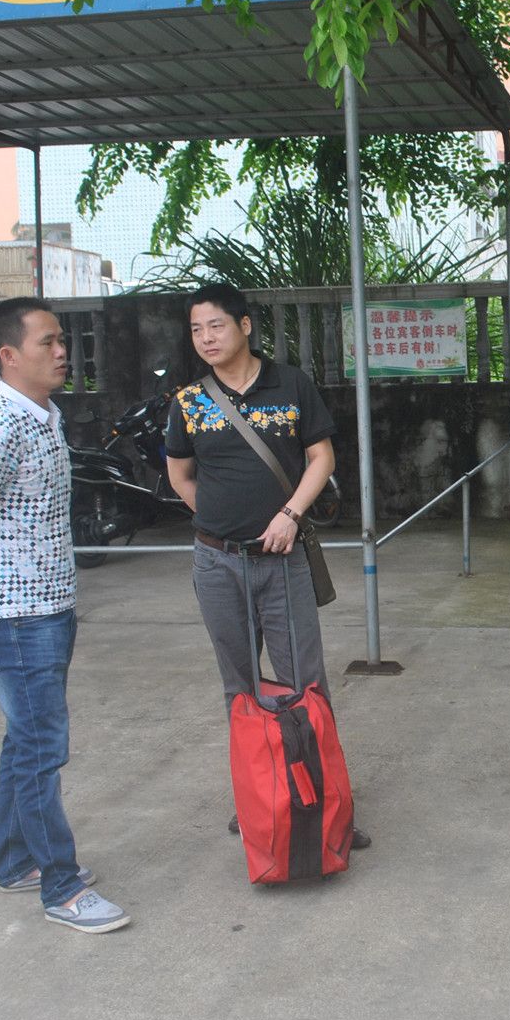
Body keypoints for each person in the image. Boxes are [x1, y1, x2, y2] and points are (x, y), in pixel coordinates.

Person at [0, 297, 130, 934]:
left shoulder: (43, 414)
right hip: (17, 617)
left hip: (49, 606)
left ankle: (16, 860)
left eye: (61, 340)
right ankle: (61, 888)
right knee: (42, 748)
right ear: (9, 355)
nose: (62, 351)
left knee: (24, 742)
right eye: (47, 342)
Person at [164, 283, 370, 849]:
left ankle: (328, 809)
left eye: (216, 326)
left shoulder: (290, 384)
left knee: (306, 682)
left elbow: (321, 456)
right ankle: (258, 800)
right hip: (216, 564)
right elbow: (180, 475)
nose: (206, 338)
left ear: (245, 325)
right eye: (197, 329)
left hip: (283, 561)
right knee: (240, 686)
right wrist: (215, 518)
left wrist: (289, 514)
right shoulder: (189, 401)